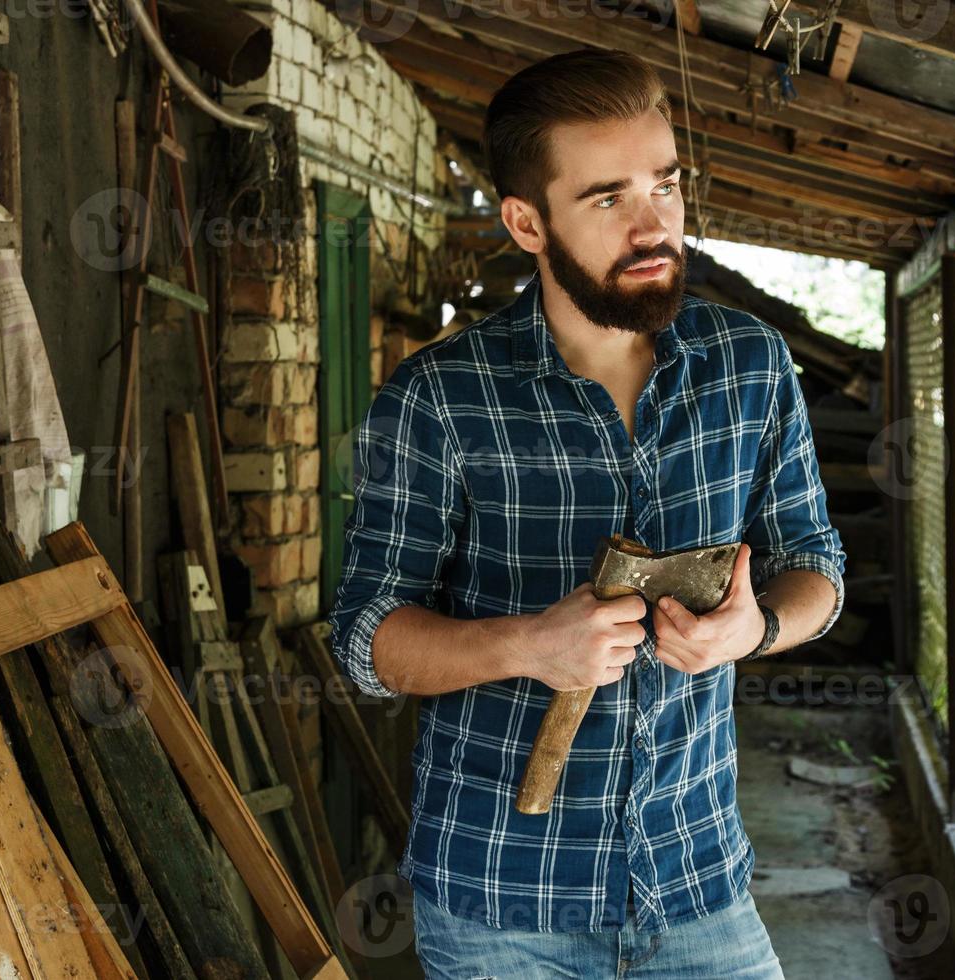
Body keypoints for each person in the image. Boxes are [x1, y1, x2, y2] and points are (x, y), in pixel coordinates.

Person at [328, 47, 845, 979]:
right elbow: (366, 642)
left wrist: (754, 628)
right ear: (527, 221)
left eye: (667, 185)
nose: (654, 225)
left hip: (699, 887)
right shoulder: (440, 397)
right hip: (500, 904)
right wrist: (528, 645)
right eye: (608, 198)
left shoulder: (750, 368)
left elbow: (816, 563)